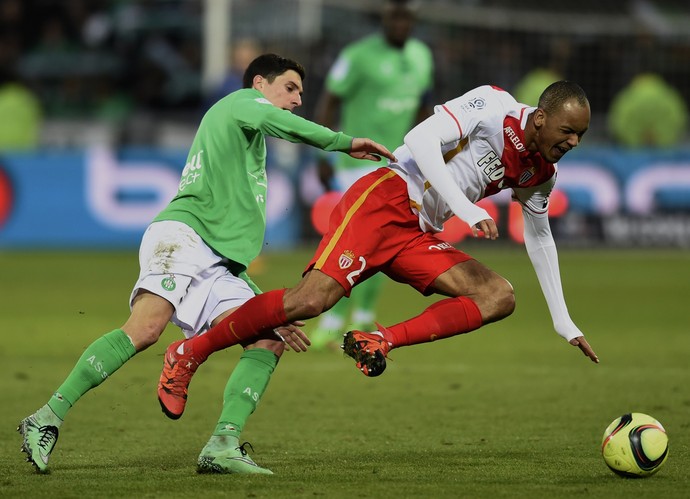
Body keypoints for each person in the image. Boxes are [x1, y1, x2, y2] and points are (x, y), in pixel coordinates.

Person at [18, 53, 394, 475]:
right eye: (290, 88)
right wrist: (343, 141)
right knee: (145, 329)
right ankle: (45, 417)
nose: (297, 100)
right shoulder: (240, 103)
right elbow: (287, 126)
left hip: (220, 261)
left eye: (301, 93)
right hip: (184, 235)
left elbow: (231, 237)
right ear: (259, 84)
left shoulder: (248, 142)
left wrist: (261, 306)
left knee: (268, 337)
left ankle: (222, 445)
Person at [157, 80, 599, 424]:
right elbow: (421, 139)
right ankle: (190, 352)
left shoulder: (542, 170)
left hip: (418, 232)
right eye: (567, 131)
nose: (572, 143)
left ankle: (379, 340)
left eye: (579, 134)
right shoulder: (493, 104)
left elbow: (540, 237)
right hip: (385, 198)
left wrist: (563, 320)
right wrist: (464, 209)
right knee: (309, 302)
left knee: (498, 296)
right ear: (540, 117)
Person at [309, 0, 434, 349]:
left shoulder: (422, 56)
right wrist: (326, 150)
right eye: (395, 16)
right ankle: (332, 320)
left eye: (407, 17)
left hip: (400, 166)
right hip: (357, 163)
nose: (401, 23)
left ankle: (364, 315)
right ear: (385, 17)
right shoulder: (358, 55)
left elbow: (424, 107)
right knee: (351, 245)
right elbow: (330, 100)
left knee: (383, 244)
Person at [608, 72, 688, 148]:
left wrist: (633, 137)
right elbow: (679, 117)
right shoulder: (670, 95)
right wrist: (663, 136)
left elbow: (618, 121)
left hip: (634, 149)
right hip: (664, 148)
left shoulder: (626, 96)